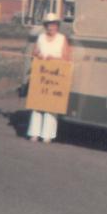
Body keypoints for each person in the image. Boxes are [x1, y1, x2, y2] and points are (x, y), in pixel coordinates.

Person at [27, 12, 71, 143]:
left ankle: (47, 135)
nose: (50, 28)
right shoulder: (40, 38)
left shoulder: (62, 39)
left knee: (51, 106)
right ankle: (34, 133)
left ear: (57, 26)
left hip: (55, 77)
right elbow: (34, 53)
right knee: (37, 105)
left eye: (53, 25)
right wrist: (38, 55)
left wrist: (55, 59)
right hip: (41, 75)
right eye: (48, 25)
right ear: (45, 26)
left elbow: (67, 58)